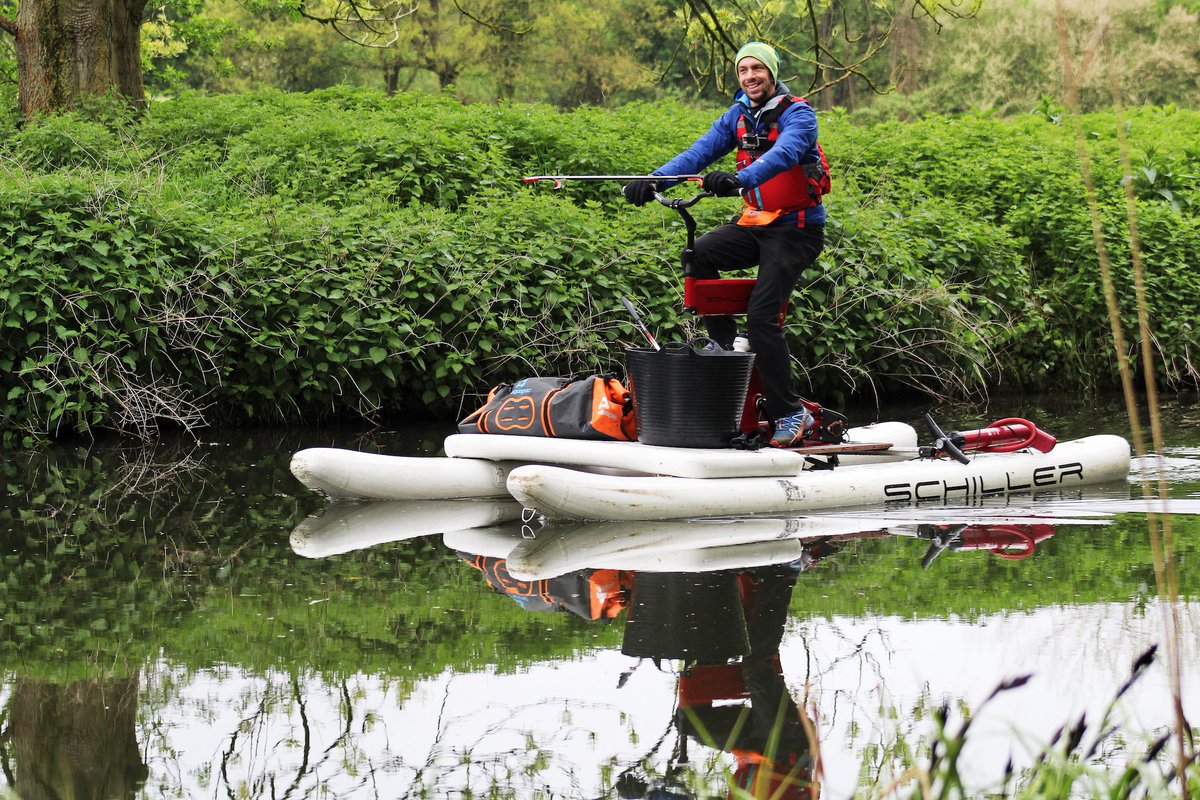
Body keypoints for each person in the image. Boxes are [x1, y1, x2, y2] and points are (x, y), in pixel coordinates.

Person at [623, 42, 838, 448]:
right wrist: (654, 180)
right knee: (698, 253)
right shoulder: (737, 116)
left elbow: (785, 154)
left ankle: (792, 414)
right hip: (756, 224)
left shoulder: (799, 114)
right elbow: (698, 154)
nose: (750, 77)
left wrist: (740, 179)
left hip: (797, 231)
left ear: (772, 73)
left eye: (758, 69)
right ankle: (723, 345)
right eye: (743, 71)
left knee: (762, 316)